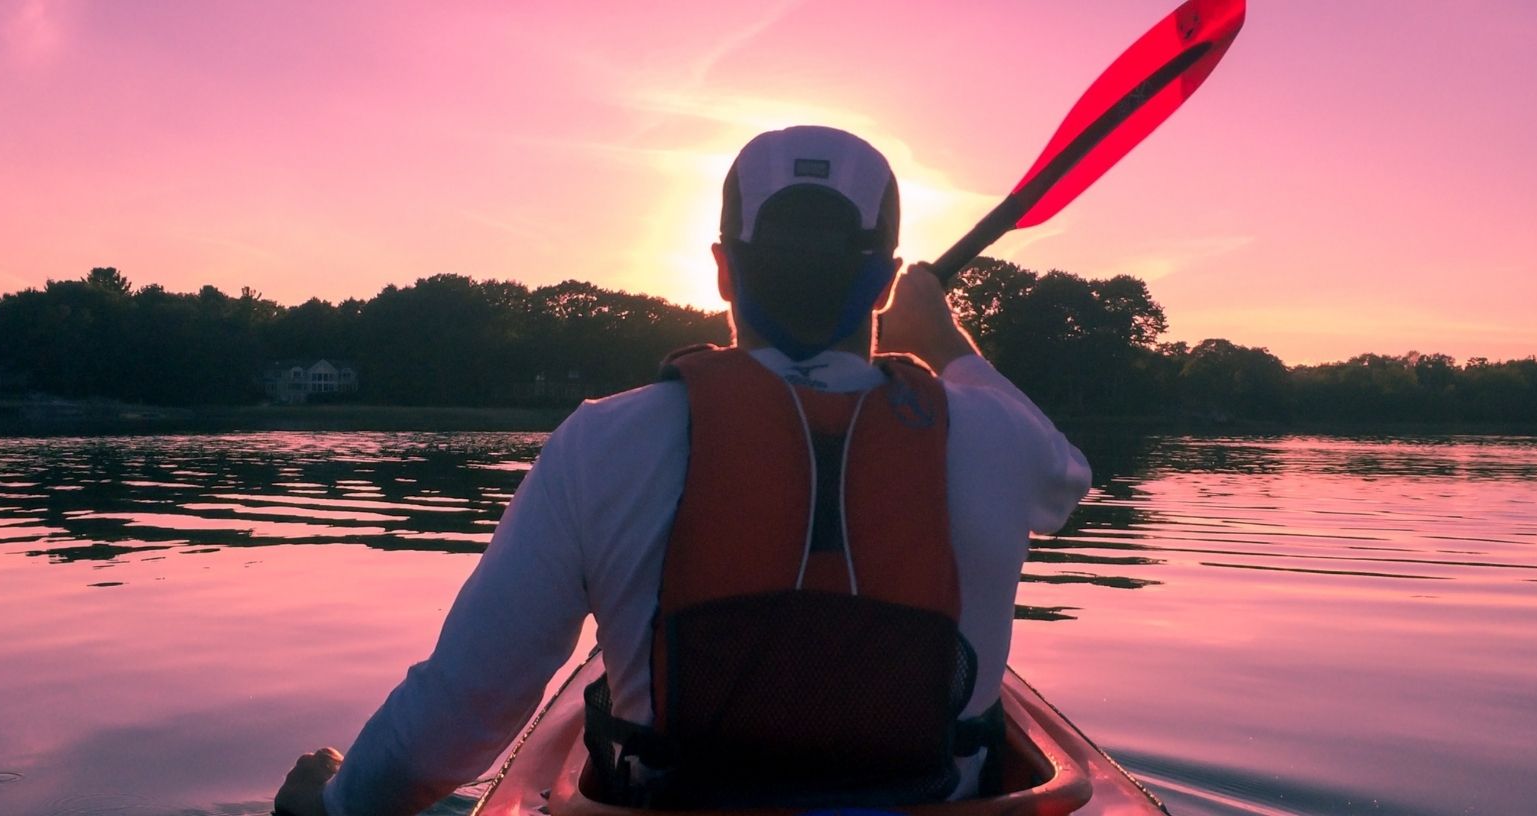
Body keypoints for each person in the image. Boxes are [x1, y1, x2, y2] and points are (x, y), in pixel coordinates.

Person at [274, 125, 1092, 816]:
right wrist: (942, 336)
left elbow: (463, 711)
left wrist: (336, 804)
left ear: (723, 268)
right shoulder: (995, 439)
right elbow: (1066, 476)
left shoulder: (604, 441)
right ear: (881, 282)